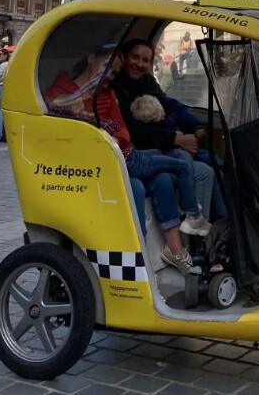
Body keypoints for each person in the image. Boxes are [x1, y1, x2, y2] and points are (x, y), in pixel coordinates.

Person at [45, 45, 208, 274]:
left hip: (122, 156)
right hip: (92, 167)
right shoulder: (61, 91)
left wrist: (104, 129)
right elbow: (62, 126)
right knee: (137, 186)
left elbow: (122, 131)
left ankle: (175, 250)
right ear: (91, 58)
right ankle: (137, 256)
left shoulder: (108, 94)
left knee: (163, 178)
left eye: (112, 73)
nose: (108, 76)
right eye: (107, 67)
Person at [112, 39, 227, 221]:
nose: (139, 64)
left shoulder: (146, 81)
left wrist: (195, 126)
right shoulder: (116, 88)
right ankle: (209, 223)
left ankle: (225, 221)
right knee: (206, 169)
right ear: (125, 57)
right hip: (148, 149)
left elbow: (171, 105)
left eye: (145, 60)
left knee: (220, 161)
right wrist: (174, 138)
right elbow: (133, 131)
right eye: (135, 57)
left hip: (166, 141)